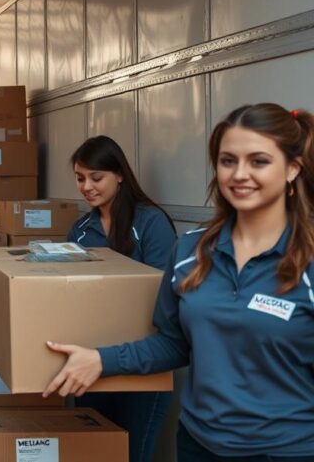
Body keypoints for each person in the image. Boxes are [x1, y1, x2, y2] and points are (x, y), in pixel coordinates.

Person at [45, 104, 314, 461]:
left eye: (259, 161)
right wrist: (100, 360)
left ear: (292, 169)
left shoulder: (307, 258)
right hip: (198, 445)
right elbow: (173, 344)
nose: (239, 174)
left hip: (287, 451)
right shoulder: (190, 251)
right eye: (228, 160)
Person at [64, 136, 176, 462]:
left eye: (96, 178)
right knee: (96, 452)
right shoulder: (80, 230)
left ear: (120, 175)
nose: (87, 186)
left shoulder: (150, 222)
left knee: (133, 454)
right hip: (93, 360)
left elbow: (161, 290)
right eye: (80, 178)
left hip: (144, 362)